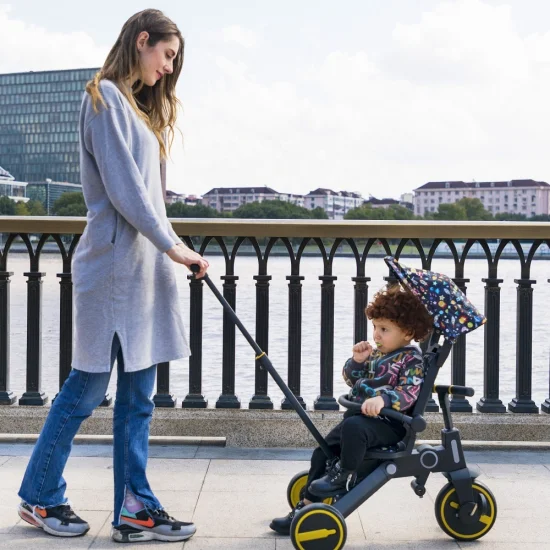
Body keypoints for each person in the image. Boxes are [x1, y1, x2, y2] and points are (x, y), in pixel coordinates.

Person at [17, 9, 208, 544]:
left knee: (138, 398)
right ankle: (40, 494)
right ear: (141, 41)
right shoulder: (102, 98)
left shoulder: (135, 108)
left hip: (143, 272)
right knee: (85, 388)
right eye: (166, 55)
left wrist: (169, 251)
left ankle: (135, 506)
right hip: (111, 269)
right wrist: (174, 246)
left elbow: (151, 198)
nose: (168, 69)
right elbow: (126, 193)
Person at [270, 284, 433, 535]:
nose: (376, 335)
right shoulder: (378, 353)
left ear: (408, 332)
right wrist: (357, 362)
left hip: (389, 424)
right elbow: (353, 381)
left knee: (355, 428)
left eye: (384, 329)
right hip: (360, 420)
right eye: (375, 327)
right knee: (323, 451)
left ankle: (343, 477)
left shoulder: (411, 359)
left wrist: (384, 400)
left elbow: (409, 392)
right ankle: (305, 507)